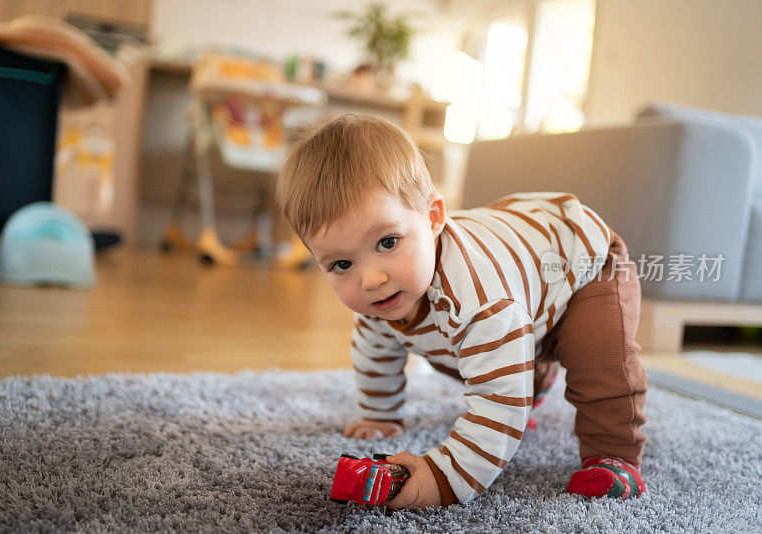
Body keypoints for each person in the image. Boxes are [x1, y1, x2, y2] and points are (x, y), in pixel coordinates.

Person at [275, 114, 648, 508]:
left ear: (433, 218)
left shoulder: (478, 300)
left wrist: (442, 480)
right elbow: (375, 353)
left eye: (387, 242)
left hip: (581, 260)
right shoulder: (381, 300)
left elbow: (496, 409)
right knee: (477, 352)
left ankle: (615, 456)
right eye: (341, 264)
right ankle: (531, 365)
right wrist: (378, 415)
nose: (370, 280)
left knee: (597, 361)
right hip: (523, 280)